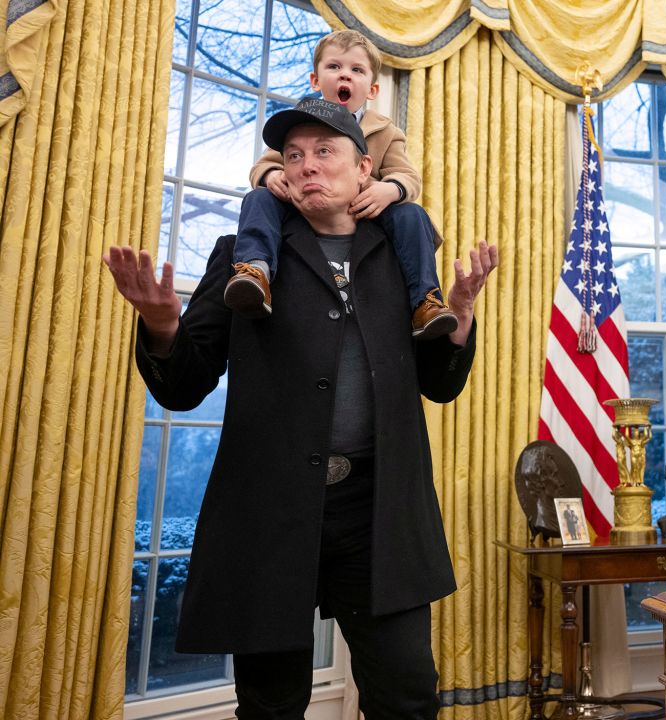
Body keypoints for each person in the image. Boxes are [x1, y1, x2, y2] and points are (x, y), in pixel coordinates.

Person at [103, 97, 497, 718]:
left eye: (324, 151)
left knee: (407, 697)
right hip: (269, 513)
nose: (306, 165)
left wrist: (462, 319)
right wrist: (159, 323)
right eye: (293, 155)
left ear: (365, 168)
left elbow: (439, 386)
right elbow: (183, 384)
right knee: (270, 706)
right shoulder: (244, 255)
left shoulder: (400, 256)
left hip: (378, 512)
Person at [224, 29, 457, 341]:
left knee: (412, 215)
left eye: (356, 70)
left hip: (368, 209)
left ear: (372, 88)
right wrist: (271, 177)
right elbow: (262, 165)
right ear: (315, 81)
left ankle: (426, 301)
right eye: (334, 67)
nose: (344, 75)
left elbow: (408, 177)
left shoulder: (385, 131)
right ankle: (255, 273)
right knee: (258, 199)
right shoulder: (299, 125)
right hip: (307, 207)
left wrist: (389, 189)